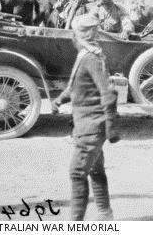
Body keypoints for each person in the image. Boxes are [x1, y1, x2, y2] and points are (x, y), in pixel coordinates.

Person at [51, 14, 119, 221]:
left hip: (91, 127)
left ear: (77, 36)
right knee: (95, 171)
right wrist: (60, 100)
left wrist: (111, 127)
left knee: (77, 173)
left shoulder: (91, 58)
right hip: (87, 125)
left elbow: (108, 93)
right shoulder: (87, 56)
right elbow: (76, 86)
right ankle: (105, 216)